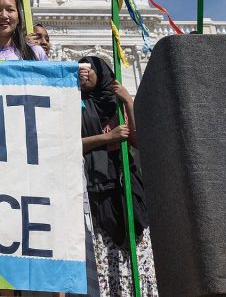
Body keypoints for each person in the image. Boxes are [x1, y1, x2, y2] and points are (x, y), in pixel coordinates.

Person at [80, 56, 158, 296]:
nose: (83, 73)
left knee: (134, 242)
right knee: (104, 249)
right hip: (96, 186)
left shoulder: (116, 102)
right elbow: (70, 144)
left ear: (102, 72)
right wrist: (108, 137)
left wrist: (128, 102)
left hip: (124, 180)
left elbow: (137, 141)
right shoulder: (75, 104)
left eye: (88, 68)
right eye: (79, 69)